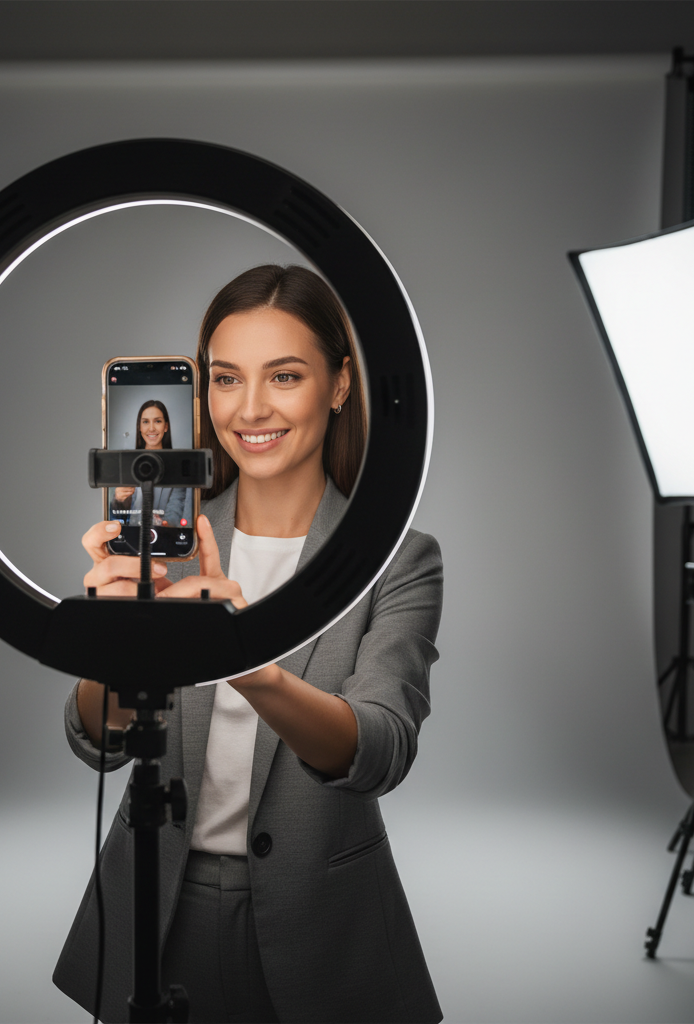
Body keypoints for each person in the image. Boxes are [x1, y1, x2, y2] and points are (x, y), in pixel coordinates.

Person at [54, 265, 444, 1023]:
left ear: (339, 384)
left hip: (322, 924)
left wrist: (245, 660)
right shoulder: (165, 541)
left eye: (285, 376)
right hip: (156, 908)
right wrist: (112, 645)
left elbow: (380, 749)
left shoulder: (397, 558)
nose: (251, 408)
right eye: (226, 378)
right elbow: (93, 740)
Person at [111, 398, 191, 526]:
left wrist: (165, 524)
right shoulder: (128, 465)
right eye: (145, 422)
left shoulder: (177, 467)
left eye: (157, 421)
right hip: (133, 535)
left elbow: (176, 511)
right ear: (139, 427)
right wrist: (118, 501)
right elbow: (118, 518)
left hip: (163, 535)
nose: (151, 428)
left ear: (166, 426)